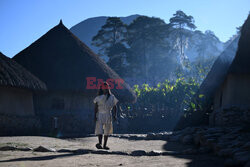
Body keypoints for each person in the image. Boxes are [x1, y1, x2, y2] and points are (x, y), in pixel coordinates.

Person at [93, 82, 118, 150]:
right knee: (99, 130)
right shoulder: (98, 98)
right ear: (101, 89)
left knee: (107, 130)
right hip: (100, 114)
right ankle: (100, 143)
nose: (105, 89)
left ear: (108, 88)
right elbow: (95, 107)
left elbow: (115, 106)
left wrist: (115, 115)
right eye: (104, 88)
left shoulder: (112, 97)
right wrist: (95, 116)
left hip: (108, 114)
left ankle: (104, 145)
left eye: (106, 88)